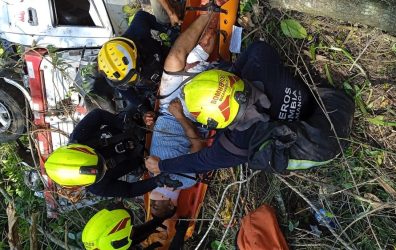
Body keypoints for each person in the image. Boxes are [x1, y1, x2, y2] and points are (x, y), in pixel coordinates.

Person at [144, 27, 354, 173]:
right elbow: (249, 56)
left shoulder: (237, 143)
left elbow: (199, 161)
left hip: (324, 142)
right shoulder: (259, 57)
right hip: (321, 104)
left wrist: (162, 167)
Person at [44, 108, 182, 198]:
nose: (103, 166)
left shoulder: (79, 138)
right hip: (147, 156)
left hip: (135, 125)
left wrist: (121, 124)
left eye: (99, 161)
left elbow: (98, 115)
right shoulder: (97, 187)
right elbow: (129, 190)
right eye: (100, 171)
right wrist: (157, 181)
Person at [96, 10, 173, 117]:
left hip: (166, 60)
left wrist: (167, 30)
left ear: (136, 54)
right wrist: (144, 109)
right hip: (154, 87)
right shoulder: (114, 74)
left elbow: (141, 15)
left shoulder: (138, 32)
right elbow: (127, 93)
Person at [82, 206, 189, 249]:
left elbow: (137, 235)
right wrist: (181, 231)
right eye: (130, 230)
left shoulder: (102, 243)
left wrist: (160, 219)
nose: (133, 229)